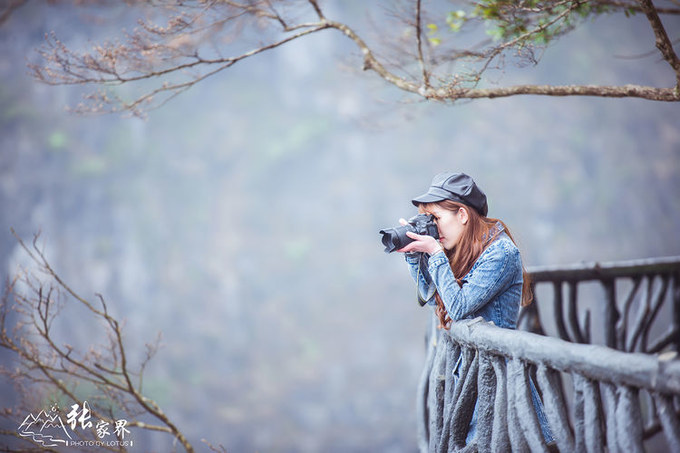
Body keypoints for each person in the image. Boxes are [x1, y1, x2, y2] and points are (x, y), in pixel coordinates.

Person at [396, 171, 553, 445]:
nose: (434, 228)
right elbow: (435, 298)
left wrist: (435, 254)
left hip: (501, 388)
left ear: (463, 215)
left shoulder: (501, 253)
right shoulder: (466, 251)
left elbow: (458, 307)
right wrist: (415, 256)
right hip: (470, 382)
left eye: (436, 219)